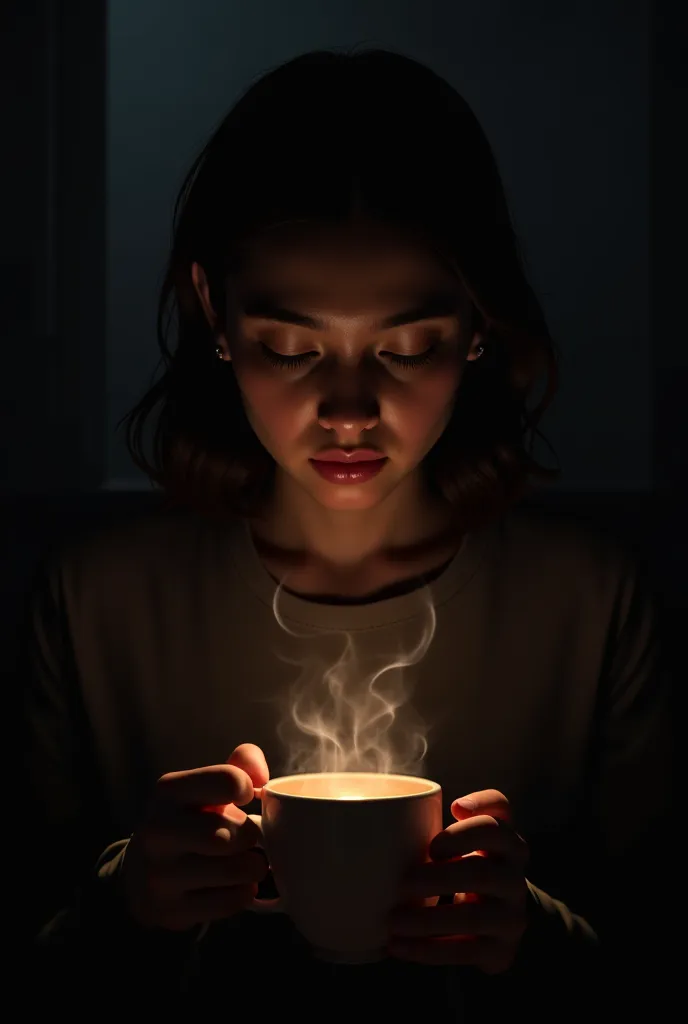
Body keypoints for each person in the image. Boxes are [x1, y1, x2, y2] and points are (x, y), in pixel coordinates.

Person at [20, 49, 670, 1016]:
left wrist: (532, 935)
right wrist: (125, 901)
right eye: (291, 347)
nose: (351, 410)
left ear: (479, 327)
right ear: (215, 311)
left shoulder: (589, 603)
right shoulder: (99, 603)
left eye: (409, 349)